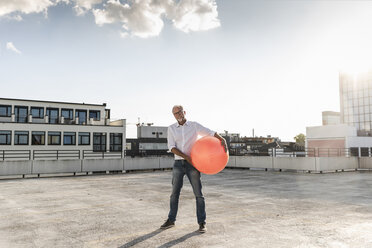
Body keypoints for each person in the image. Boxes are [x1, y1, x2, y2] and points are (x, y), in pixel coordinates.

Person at [160, 105, 227, 233]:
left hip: (193, 165)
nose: (178, 115)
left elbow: (210, 132)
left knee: (198, 194)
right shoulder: (171, 129)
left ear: (184, 112)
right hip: (178, 164)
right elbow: (172, 147)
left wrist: (222, 138)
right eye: (175, 113)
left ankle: (202, 223)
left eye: (179, 112)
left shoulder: (194, 126)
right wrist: (187, 157)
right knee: (174, 194)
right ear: (174, 115)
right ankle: (171, 220)